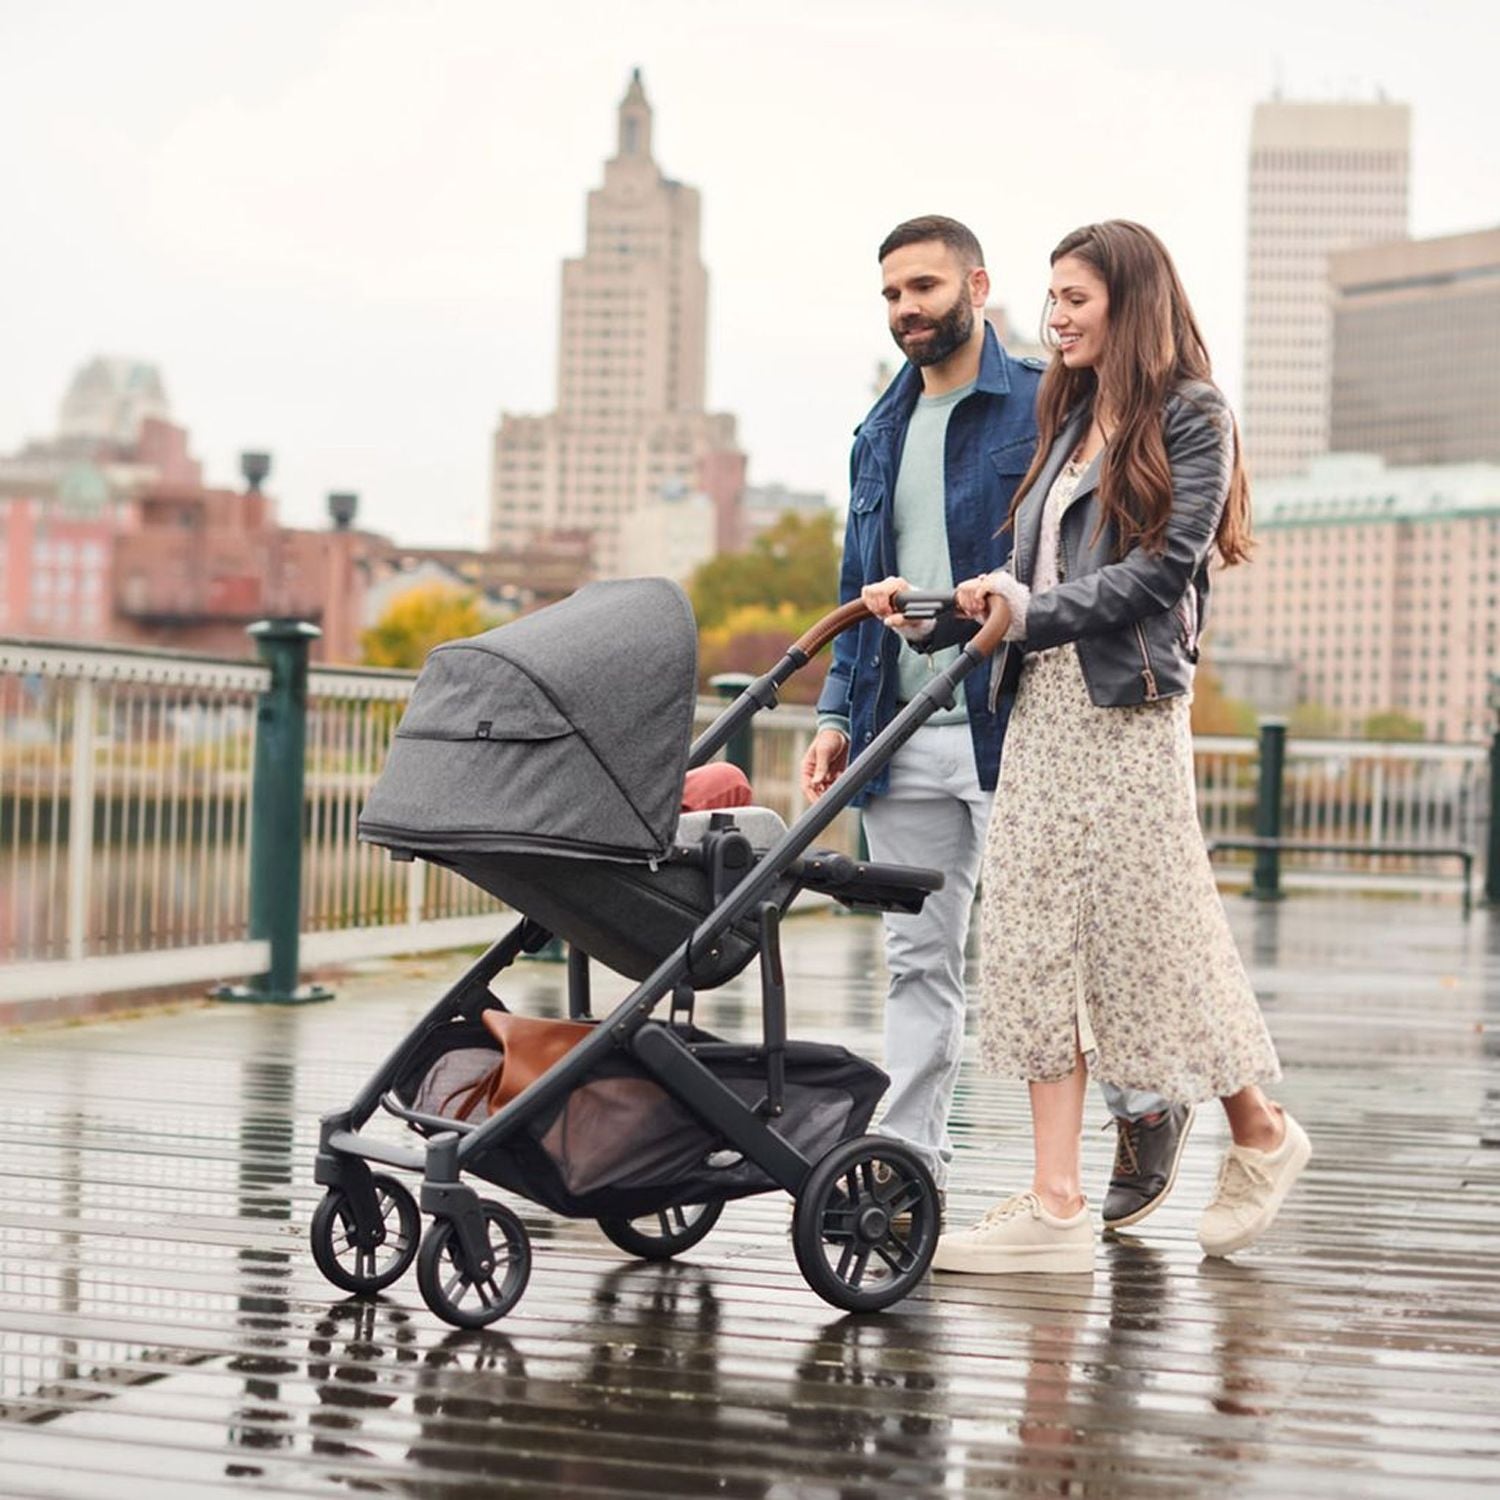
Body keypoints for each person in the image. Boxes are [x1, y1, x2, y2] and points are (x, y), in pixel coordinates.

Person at [866, 219, 1309, 1273]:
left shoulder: (1191, 416)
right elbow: (1025, 583)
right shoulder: (1070, 421)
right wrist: (932, 613)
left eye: (1074, 299)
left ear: (1129, 301)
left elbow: (1162, 572)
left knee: (1151, 943)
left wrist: (1027, 611)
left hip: (1128, 710)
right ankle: (1059, 1203)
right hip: (1045, 708)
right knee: (1028, 943)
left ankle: (1261, 1132)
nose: (1054, 317)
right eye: (1052, 298)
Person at [805, 215, 1186, 1214]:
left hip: (1016, 719)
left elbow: (1110, 547)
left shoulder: (1048, 405)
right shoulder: (877, 432)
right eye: (891, 294)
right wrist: (836, 712)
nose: (907, 309)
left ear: (975, 285)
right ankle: (906, 1165)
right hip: (900, 728)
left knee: (1067, 941)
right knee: (918, 961)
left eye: (924, 287)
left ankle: (1142, 1102)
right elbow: (860, 587)